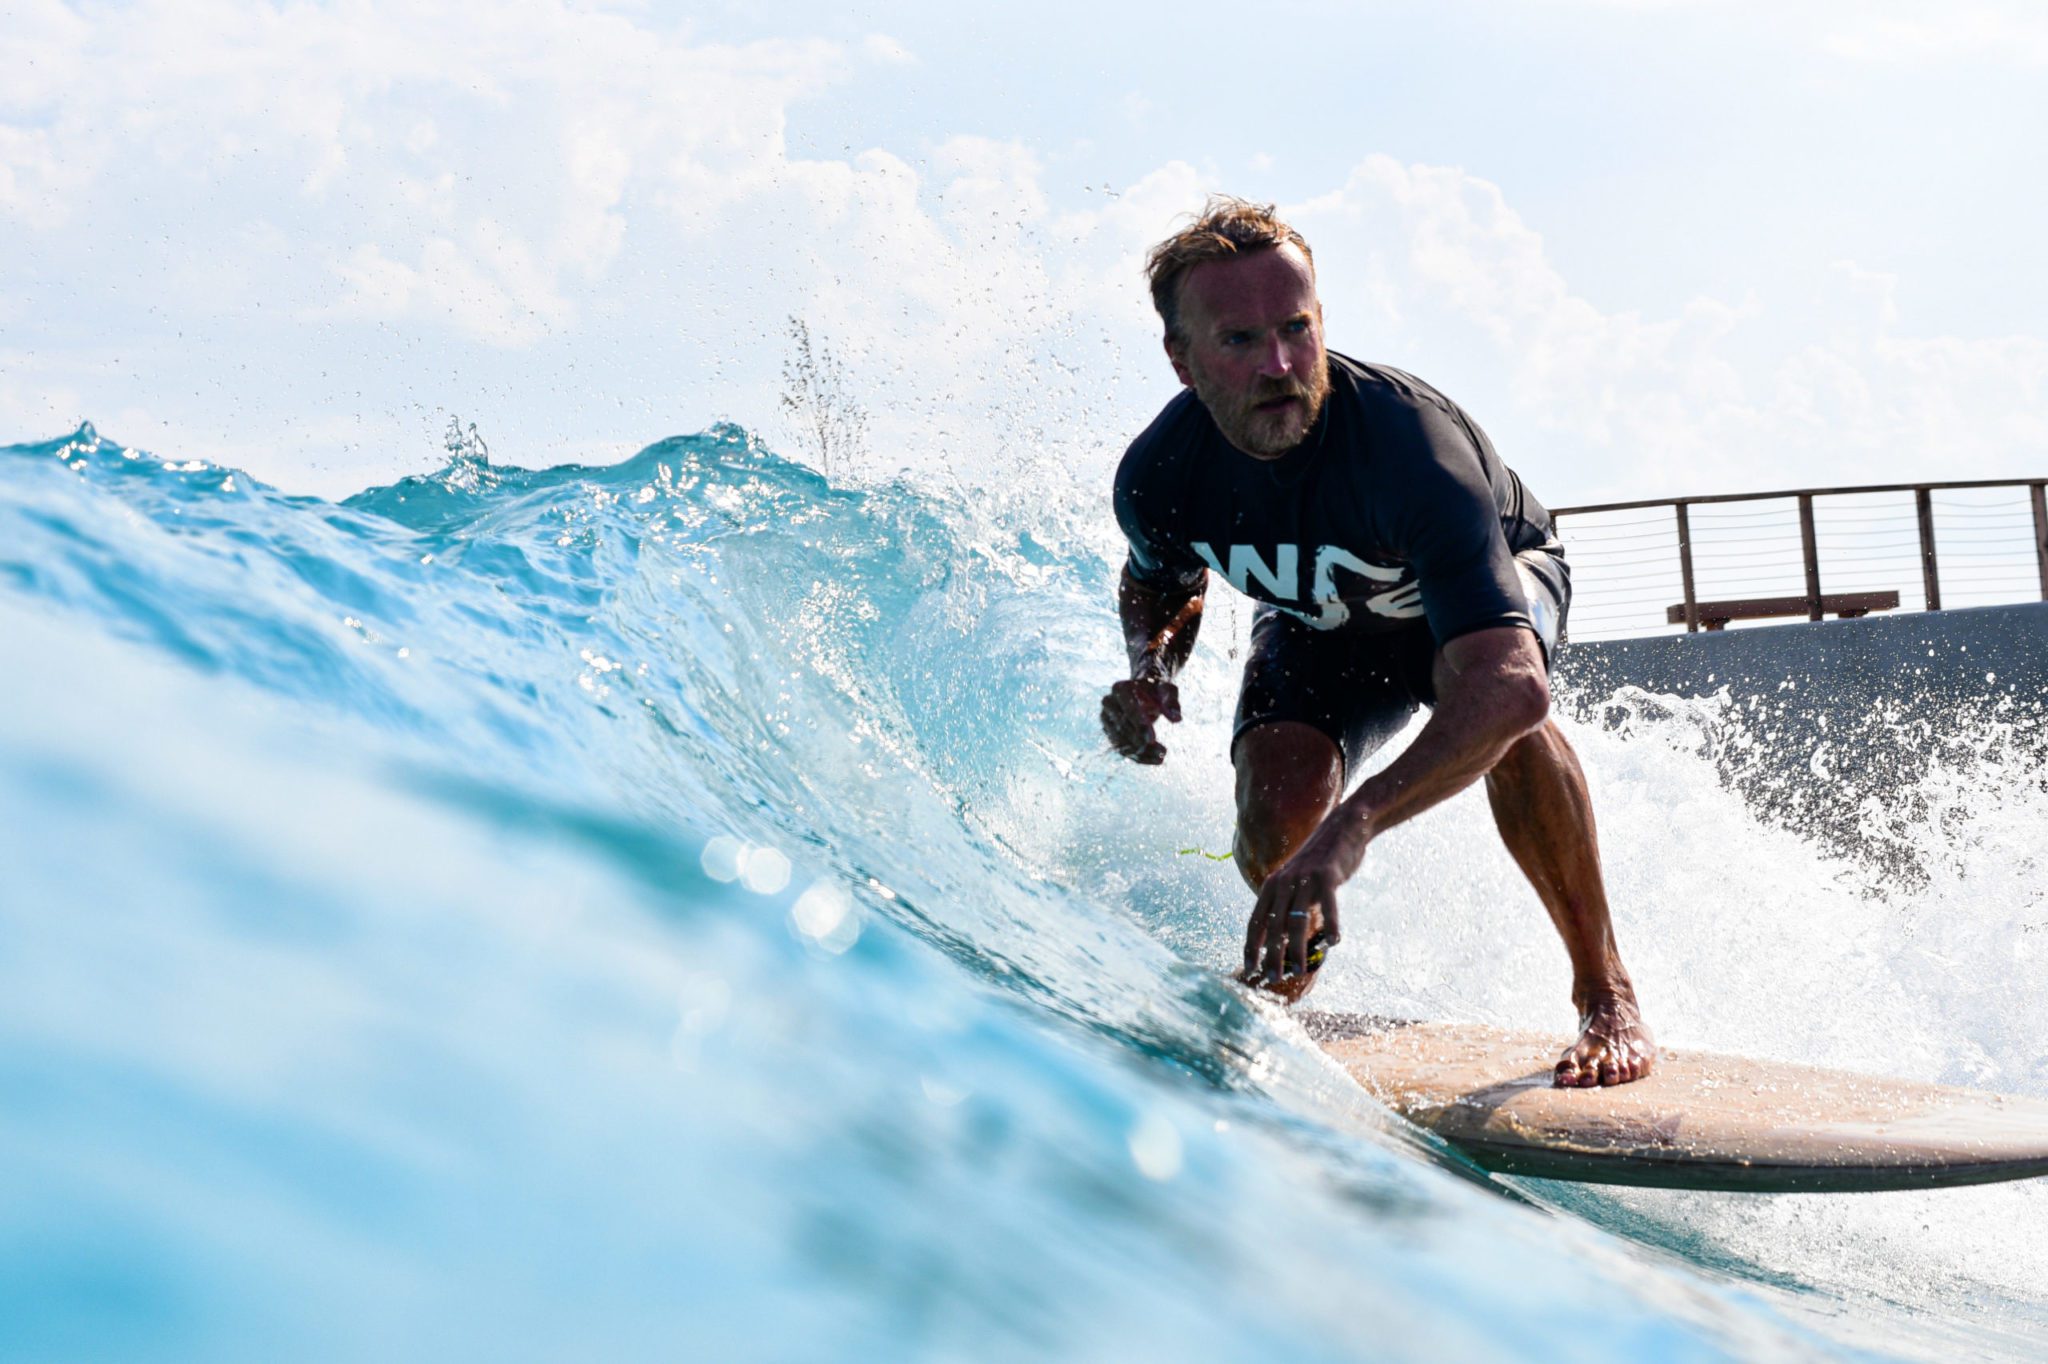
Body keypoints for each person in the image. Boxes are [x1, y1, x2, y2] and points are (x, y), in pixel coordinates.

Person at [1100, 196, 1654, 1087]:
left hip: (1478, 596)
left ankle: (1606, 993)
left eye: (1297, 328)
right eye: (1240, 341)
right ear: (1182, 360)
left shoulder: (1408, 447)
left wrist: (1352, 828)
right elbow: (1162, 581)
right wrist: (1150, 665)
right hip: (1318, 620)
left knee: (1505, 720)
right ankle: (1283, 983)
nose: (1280, 365)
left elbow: (1512, 684)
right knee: (1275, 811)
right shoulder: (1161, 475)